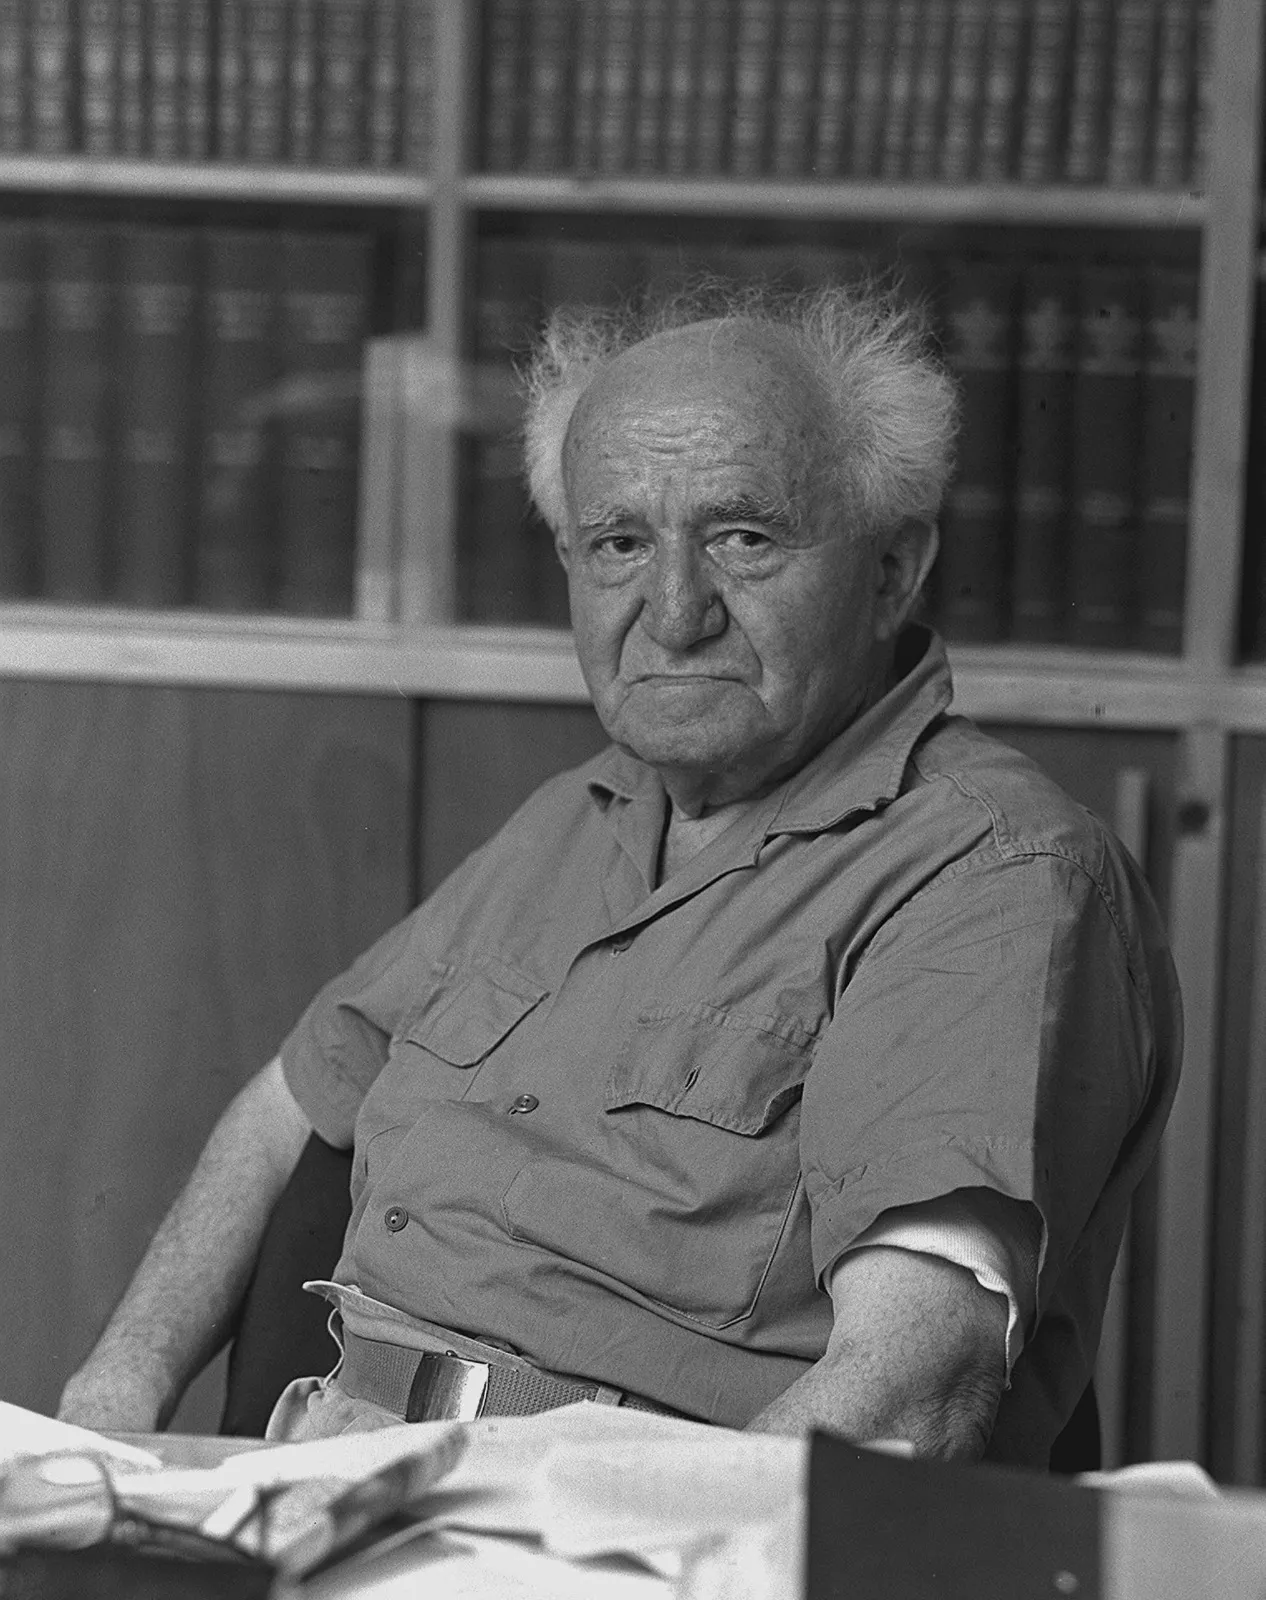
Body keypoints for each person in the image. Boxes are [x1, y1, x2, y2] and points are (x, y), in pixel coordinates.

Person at [57, 283, 1181, 1465]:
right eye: (620, 544)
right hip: (325, 1472)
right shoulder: (573, 819)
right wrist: (107, 1411)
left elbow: (908, 1394)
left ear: (894, 569)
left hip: (618, 1526)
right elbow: (288, 1108)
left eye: (745, 538)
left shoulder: (991, 877)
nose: (676, 612)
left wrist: (612, 1544)